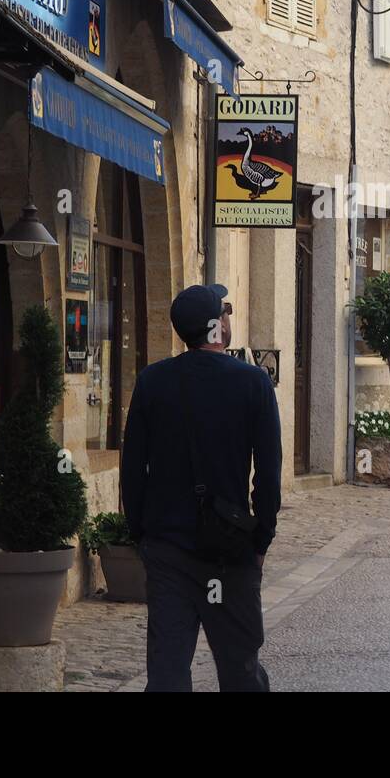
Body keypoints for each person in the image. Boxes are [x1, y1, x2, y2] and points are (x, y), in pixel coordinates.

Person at [120, 283, 281, 692]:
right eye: (225, 310)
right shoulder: (252, 384)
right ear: (217, 327)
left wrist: (140, 532)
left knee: (168, 669)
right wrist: (261, 539)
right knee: (240, 667)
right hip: (229, 550)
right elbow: (267, 473)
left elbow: (133, 467)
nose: (229, 318)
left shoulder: (152, 382)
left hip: (168, 547)